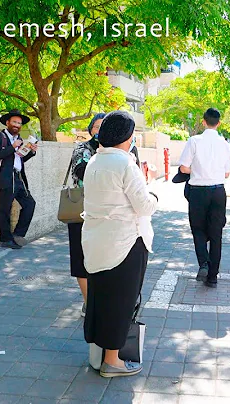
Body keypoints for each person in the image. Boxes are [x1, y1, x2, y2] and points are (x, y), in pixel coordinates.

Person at [81, 110, 159, 378]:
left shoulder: (94, 161)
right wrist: (155, 195)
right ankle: (112, 361)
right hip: (125, 244)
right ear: (127, 137)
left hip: (96, 241)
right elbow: (145, 206)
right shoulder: (126, 164)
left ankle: (98, 354)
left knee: (101, 298)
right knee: (121, 301)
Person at [178, 108, 230, 288]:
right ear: (219, 123)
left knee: (198, 229)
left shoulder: (194, 141)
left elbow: (184, 168)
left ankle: (204, 263)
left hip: (198, 191)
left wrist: (199, 170)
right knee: (217, 234)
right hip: (218, 192)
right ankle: (213, 277)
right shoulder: (224, 144)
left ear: (203, 122)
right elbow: (226, 173)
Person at [68, 113, 105, 317]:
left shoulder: (120, 150)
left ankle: (102, 299)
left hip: (106, 213)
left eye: (104, 126)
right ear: (91, 129)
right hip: (80, 208)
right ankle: (89, 302)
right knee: (80, 257)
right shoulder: (83, 148)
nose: (99, 130)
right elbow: (80, 172)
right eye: (96, 126)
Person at [0, 109, 38, 249]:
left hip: (18, 177)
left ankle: (18, 235)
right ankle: (5, 239)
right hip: (5, 177)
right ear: (7, 123)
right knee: (5, 209)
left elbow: (20, 160)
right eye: (14, 122)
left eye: (19, 123)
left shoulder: (19, 140)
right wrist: (12, 147)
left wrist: (32, 152)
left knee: (30, 204)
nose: (17, 125)